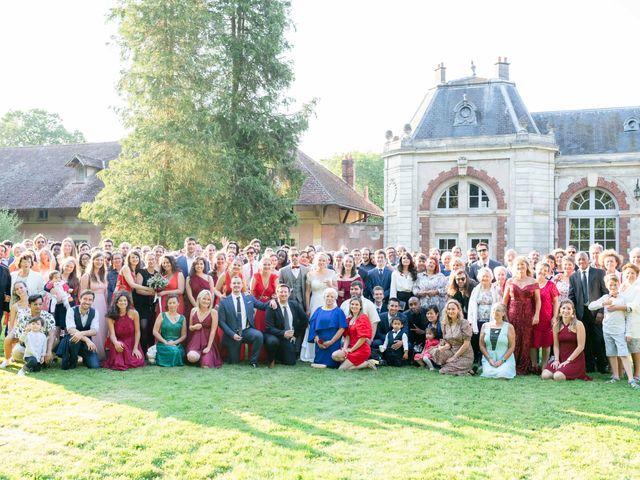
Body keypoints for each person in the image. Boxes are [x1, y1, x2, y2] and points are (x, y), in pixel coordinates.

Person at [588, 274, 638, 387]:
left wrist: (628, 332)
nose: (613, 286)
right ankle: (615, 376)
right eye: (610, 285)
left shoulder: (623, 298)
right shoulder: (605, 298)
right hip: (607, 330)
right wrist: (604, 303)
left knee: (624, 354)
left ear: (618, 285)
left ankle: (631, 379)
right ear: (607, 285)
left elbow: (629, 317)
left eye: (615, 284)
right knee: (611, 353)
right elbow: (591, 306)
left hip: (620, 331)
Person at [218, 276, 271, 367]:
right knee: (234, 362)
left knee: (258, 335)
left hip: (246, 331)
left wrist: (272, 302)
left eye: (238, 283)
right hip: (232, 333)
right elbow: (221, 322)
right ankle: (233, 354)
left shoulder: (249, 297)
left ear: (242, 285)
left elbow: (262, 306)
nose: (236, 285)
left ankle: (253, 361)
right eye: (234, 283)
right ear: (230, 285)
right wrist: (232, 334)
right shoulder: (224, 301)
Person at [568, 251, 608, 373]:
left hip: (596, 312)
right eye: (579, 260)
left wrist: (601, 311)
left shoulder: (599, 273)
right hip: (581, 313)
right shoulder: (573, 276)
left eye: (583, 259)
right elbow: (572, 295)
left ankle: (602, 366)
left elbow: (605, 293)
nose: (581, 262)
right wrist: (572, 314)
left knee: (599, 338)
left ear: (588, 260)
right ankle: (589, 366)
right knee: (585, 340)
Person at [503, 256, 540, 375]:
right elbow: (504, 301)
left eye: (522, 265)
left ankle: (524, 366)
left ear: (527, 266)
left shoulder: (533, 281)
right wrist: (505, 317)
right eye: (518, 265)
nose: (520, 267)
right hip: (513, 313)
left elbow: (538, 301)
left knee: (526, 339)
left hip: (528, 314)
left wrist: (536, 315)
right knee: (514, 338)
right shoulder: (510, 281)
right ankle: (511, 364)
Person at [2, 294, 57, 368]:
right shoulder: (23, 317)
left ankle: (45, 357)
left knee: (55, 340)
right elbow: (20, 337)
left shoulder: (48, 316)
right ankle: (33, 361)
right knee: (16, 353)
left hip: (43, 345)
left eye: (40, 304)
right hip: (28, 345)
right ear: (29, 305)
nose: (38, 306)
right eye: (35, 304)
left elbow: (52, 334)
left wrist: (48, 351)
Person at [541, 300, 591, 381]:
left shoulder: (579, 324)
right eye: (563, 308)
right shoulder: (556, 326)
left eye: (569, 309)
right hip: (561, 358)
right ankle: (561, 370)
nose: (566, 311)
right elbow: (556, 345)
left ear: (573, 311)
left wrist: (568, 361)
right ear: (560, 310)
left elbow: (581, 346)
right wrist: (556, 360)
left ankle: (566, 372)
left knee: (558, 376)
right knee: (545, 375)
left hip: (575, 360)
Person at [301, 253, 337, 362]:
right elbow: (307, 292)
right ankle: (311, 353)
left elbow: (336, 290)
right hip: (315, 301)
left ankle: (329, 351)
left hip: (330, 301)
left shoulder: (332, 273)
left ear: (327, 262)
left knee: (330, 324)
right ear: (315, 261)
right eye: (319, 260)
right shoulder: (310, 274)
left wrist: (330, 284)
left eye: (323, 260)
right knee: (314, 325)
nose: (321, 262)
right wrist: (307, 308)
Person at [264, 283, 309, 367]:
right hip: (274, 335)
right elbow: (268, 328)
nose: (283, 294)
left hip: (288, 338)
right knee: (272, 342)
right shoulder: (271, 306)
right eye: (281, 292)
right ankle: (271, 359)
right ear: (276, 293)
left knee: (290, 362)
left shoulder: (294, 305)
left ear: (289, 293)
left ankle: (279, 356)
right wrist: (283, 333)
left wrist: (295, 335)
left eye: (285, 292)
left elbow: (305, 320)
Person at [102, 291, 145, 371]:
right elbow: (112, 334)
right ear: (116, 302)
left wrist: (135, 348)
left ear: (128, 302)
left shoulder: (134, 313)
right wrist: (115, 343)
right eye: (120, 300)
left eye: (125, 300)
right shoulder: (111, 316)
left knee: (137, 361)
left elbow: (137, 332)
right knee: (118, 362)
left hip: (132, 343)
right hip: (119, 341)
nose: (123, 302)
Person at [59, 290, 101, 370]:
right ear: (80, 298)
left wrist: (81, 334)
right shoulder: (71, 310)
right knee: (75, 338)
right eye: (85, 299)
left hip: (86, 344)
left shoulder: (95, 312)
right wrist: (87, 340)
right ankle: (73, 359)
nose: (87, 302)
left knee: (95, 366)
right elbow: (71, 329)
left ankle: (84, 358)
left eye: (90, 300)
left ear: (92, 301)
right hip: (72, 341)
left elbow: (95, 331)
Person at [468, 267, 502, 364]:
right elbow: (471, 306)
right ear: (479, 278)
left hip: (491, 319)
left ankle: (488, 359)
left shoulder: (495, 289)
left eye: (487, 276)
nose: (485, 278)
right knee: (479, 339)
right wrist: (470, 321)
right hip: (478, 319)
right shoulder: (476, 289)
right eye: (483, 276)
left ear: (491, 277)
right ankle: (477, 359)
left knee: (489, 340)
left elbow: (500, 303)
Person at [307, 288, 347, 368]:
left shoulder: (339, 311)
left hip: (333, 341)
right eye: (327, 296)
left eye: (332, 297)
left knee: (332, 363)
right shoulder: (318, 310)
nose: (329, 298)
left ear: (335, 298)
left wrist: (331, 342)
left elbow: (342, 328)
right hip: (320, 342)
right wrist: (318, 340)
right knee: (318, 361)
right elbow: (313, 326)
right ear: (324, 297)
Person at [432, 299, 474, 375]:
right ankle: (465, 370)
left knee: (443, 371)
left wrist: (454, 357)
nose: (450, 311)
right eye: (449, 309)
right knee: (436, 352)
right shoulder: (444, 323)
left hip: (464, 354)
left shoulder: (464, 323)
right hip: (451, 351)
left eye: (453, 309)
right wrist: (445, 347)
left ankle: (466, 370)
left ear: (458, 310)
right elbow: (446, 340)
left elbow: (466, 344)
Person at [80, 251, 109, 360]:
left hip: (103, 304)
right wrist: (85, 307)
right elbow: (82, 293)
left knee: (103, 328)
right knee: (94, 327)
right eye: (97, 259)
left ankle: (102, 353)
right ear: (93, 261)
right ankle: (93, 353)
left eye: (101, 260)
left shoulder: (103, 275)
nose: (99, 262)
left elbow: (105, 292)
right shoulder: (87, 276)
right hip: (92, 303)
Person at [332, 297, 375, 370]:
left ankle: (367, 363)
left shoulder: (363, 318)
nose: (354, 306)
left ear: (360, 306)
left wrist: (351, 350)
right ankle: (350, 362)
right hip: (350, 347)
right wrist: (345, 349)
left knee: (341, 369)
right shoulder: (349, 319)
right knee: (334, 355)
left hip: (361, 349)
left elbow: (363, 338)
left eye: (356, 304)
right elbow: (347, 337)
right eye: (352, 304)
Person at [531, 262, 559, 373]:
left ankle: (544, 365)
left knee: (546, 343)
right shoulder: (532, 284)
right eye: (539, 270)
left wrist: (555, 316)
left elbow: (556, 301)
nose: (541, 273)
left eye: (544, 271)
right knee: (533, 342)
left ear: (548, 272)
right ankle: (534, 365)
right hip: (533, 317)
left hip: (547, 317)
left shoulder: (551, 285)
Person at [186, 290, 222, 368]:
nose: (206, 301)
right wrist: (194, 327)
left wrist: (209, 347)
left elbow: (213, 331)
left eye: (208, 299)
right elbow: (190, 327)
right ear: (199, 299)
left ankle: (204, 359)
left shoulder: (213, 312)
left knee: (206, 366)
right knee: (191, 358)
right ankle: (198, 358)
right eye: (204, 298)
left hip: (207, 342)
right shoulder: (193, 310)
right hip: (195, 342)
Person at [479, 303, 516, 379]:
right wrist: (489, 359)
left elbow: (512, 347)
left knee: (503, 373)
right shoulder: (485, 326)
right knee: (488, 373)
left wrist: (502, 361)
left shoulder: (509, 327)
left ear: (503, 313)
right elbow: (482, 345)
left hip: (505, 359)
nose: (495, 312)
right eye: (493, 310)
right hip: (489, 358)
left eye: (498, 310)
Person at [153, 294, 187, 367]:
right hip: (163, 343)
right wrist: (165, 342)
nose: (172, 305)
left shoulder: (182, 318)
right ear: (167, 304)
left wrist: (174, 342)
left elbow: (184, 335)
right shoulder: (162, 315)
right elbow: (155, 332)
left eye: (174, 303)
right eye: (170, 303)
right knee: (173, 351)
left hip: (176, 344)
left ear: (178, 304)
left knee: (177, 351)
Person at [620, 263, 640, 382]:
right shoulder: (621, 287)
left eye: (632, 273)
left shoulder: (638, 288)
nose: (630, 275)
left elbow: (636, 305)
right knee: (625, 348)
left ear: (637, 275)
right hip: (622, 322)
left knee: (636, 349)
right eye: (627, 273)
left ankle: (637, 372)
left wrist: (620, 307)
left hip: (635, 321)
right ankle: (624, 371)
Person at [2, 281, 30, 364]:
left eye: (21, 287)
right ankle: (7, 360)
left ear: (26, 288)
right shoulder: (15, 306)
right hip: (18, 328)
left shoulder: (33, 302)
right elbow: (11, 323)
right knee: (7, 339)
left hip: (32, 328)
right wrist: (11, 333)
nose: (19, 290)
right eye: (17, 289)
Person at [250, 257, 278, 338]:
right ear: (260, 265)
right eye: (264, 264)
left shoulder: (274, 277)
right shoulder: (255, 276)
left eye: (269, 264)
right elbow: (251, 293)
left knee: (268, 328)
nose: (266, 266)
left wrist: (275, 296)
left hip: (270, 306)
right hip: (257, 305)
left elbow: (277, 292)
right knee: (258, 328)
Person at [185, 256, 215, 324]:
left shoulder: (209, 278)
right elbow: (190, 295)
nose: (199, 266)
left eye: (201, 264)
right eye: (197, 264)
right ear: (194, 266)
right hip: (193, 306)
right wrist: (197, 308)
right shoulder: (189, 278)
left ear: (204, 265)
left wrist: (208, 308)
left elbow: (212, 294)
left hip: (207, 307)